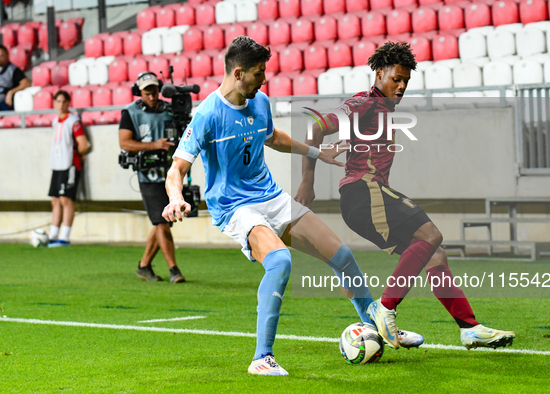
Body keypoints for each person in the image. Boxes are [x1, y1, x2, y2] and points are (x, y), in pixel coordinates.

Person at [163, 36, 423, 376]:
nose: (265, 79)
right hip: (234, 207)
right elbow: (176, 169)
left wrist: (318, 153)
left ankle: (376, 322)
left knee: (342, 255)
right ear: (238, 73)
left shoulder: (259, 102)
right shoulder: (207, 115)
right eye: (259, 73)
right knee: (279, 261)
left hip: (270, 197)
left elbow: (273, 137)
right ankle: (261, 358)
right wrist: (176, 198)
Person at [295, 41, 516, 351]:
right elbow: (315, 125)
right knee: (431, 235)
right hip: (364, 192)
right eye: (396, 79)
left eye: (406, 82)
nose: (401, 87)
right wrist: (308, 180)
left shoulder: (379, 109)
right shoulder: (366, 104)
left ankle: (470, 327)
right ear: (379, 74)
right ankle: (385, 308)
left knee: (434, 254)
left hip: (367, 196)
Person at [118, 71, 185, 284]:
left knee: (162, 222)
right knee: (162, 223)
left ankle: (144, 265)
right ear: (139, 92)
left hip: (170, 174)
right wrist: (154, 145)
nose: (152, 96)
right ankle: (174, 270)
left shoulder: (170, 111)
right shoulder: (130, 112)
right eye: (147, 92)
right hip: (148, 175)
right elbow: (125, 143)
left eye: (155, 91)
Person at [48, 91, 90, 247]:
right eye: (58, 101)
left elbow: (83, 144)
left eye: (64, 101)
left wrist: (76, 156)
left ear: (68, 103)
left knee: (66, 198)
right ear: (54, 103)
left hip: (69, 164)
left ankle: (64, 236)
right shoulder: (54, 122)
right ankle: (53, 234)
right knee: (55, 199)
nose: (61, 105)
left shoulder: (73, 121)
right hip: (57, 164)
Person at [0, 44, 31, 111]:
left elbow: (26, 83)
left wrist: (11, 92)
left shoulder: (13, 70)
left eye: (2, 55)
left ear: (7, 55)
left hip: (5, 104)